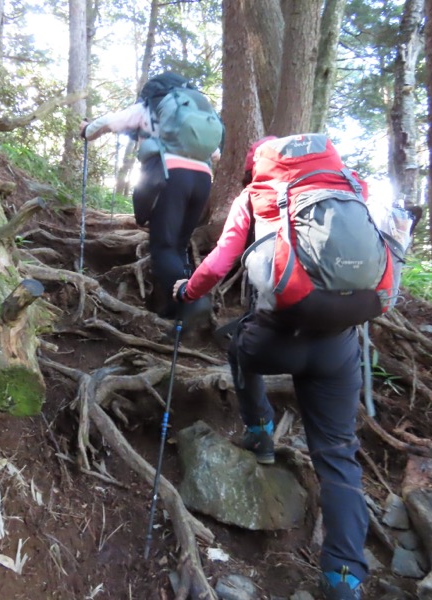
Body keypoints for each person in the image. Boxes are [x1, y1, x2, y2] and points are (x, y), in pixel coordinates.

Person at [172, 136, 369, 600]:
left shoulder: (255, 195)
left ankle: (259, 430)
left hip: (274, 337)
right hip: (338, 349)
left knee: (239, 350)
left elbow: (220, 262)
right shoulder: (350, 187)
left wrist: (187, 292)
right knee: (339, 455)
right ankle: (344, 577)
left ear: (258, 164)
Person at [79, 72, 221, 326]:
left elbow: (110, 122)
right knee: (177, 246)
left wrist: (87, 130)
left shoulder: (150, 104)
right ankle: (174, 309)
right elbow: (217, 153)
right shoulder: (196, 109)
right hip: (202, 179)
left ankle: (193, 302)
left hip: (169, 175)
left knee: (163, 247)